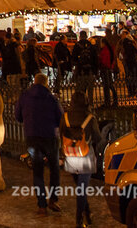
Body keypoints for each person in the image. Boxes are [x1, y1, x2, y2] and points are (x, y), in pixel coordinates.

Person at [15, 72, 64, 214]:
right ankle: (53, 200)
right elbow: (60, 118)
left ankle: (41, 205)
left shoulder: (24, 97)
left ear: (34, 82)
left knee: (38, 171)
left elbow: (18, 116)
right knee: (54, 169)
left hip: (32, 137)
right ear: (46, 83)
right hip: (50, 138)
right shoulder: (51, 98)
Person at [60, 91, 102, 228]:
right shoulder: (90, 118)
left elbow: (60, 133)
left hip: (70, 155)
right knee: (82, 189)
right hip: (85, 156)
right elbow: (98, 138)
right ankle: (79, 219)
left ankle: (88, 213)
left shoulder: (65, 117)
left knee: (80, 187)